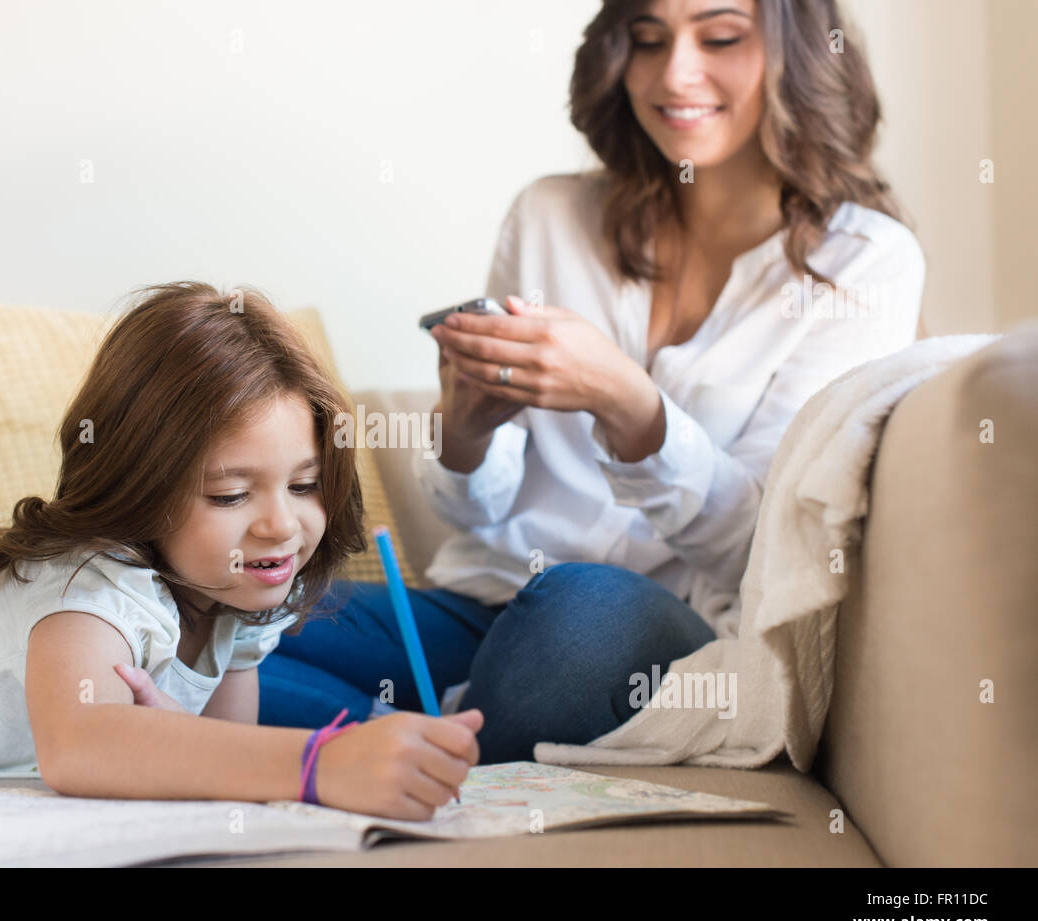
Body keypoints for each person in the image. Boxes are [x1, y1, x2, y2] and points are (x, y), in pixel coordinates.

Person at [251, 0, 926, 763]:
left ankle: (393, 744)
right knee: (233, 622)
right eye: (646, 39)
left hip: (647, 633)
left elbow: (767, 552)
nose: (674, 72)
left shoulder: (866, 263)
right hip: (482, 610)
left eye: (722, 36)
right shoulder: (549, 216)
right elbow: (475, 512)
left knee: (578, 611)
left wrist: (633, 406)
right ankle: (414, 750)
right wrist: (465, 430)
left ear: (799, 53)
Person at [0, 282, 482, 821]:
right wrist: (319, 763)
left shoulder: (247, 590)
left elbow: (225, 758)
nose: (280, 526)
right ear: (140, 486)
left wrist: (173, 743)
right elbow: (78, 744)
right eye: (230, 495)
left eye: (306, 483)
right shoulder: (92, 584)